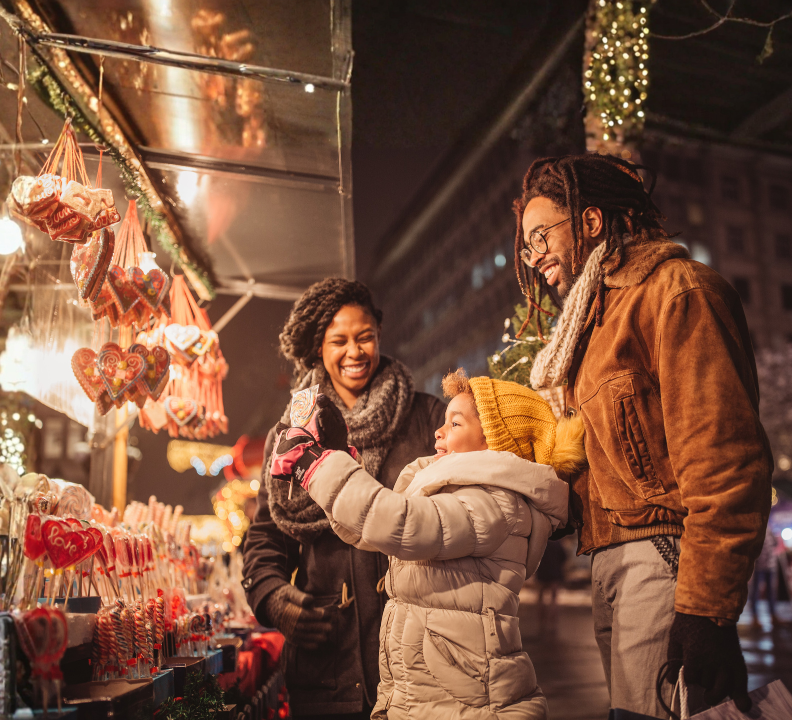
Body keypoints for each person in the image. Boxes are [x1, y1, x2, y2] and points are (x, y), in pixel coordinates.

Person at [515, 154, 773, 717]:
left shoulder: (677, 292)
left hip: (663, 560)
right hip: (609, 565)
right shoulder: (592, 323)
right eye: (525, 246)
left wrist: (705, 609)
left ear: (589, 222)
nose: (533, 258)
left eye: (540, 237)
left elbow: (724, 460)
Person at [271, 370, 584, 719]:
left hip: (469, 700)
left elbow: (401, 522)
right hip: (433, 692)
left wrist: (317, 466)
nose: (439, 431)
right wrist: (330, 461)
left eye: (455, 424)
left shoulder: (493, 503)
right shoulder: (457, 492)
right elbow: (370, 530)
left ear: (493, 442)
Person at [241, 278, 445, 719]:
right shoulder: (289, 438)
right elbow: (264, 539)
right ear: (319, 349)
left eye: (365, 336)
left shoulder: (428, 418)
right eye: (339, 341)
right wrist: (274, 598)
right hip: (328, 667)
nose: (355, 352)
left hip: (421, 661)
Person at [748, 525, 783, 631]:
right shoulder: (755, 530)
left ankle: (773, 615)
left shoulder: (769, 530)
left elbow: (775, 544)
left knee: (771, 592)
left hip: (770, 565)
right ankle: (754, 617)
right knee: (755, 592)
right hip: (758, 567)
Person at [535, 537, 567, 634]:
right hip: (555, 573)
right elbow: (564, 557)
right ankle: (553, 624)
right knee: (554, 599)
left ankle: (541, 623)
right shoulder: (557, 542)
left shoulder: (541, 541)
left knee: (540, 598)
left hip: (542, 572)